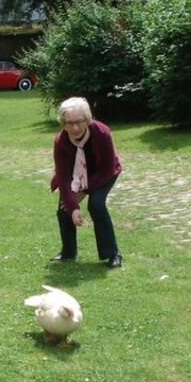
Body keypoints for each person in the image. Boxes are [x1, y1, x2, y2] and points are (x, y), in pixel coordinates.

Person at [49, 97, 123, 268]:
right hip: (77, 175)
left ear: (87, 119)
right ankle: (68, 252)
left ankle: (112, 254)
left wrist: (85, 191)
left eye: (79, 122)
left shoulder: (102, 133)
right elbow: (63, 176)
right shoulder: (60, 141)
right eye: (69, 123)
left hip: (104, 174)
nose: (74, 128)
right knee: (64, 209)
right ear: (63, 123)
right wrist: (73, 207)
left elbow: (107, 168)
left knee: (96, 204)